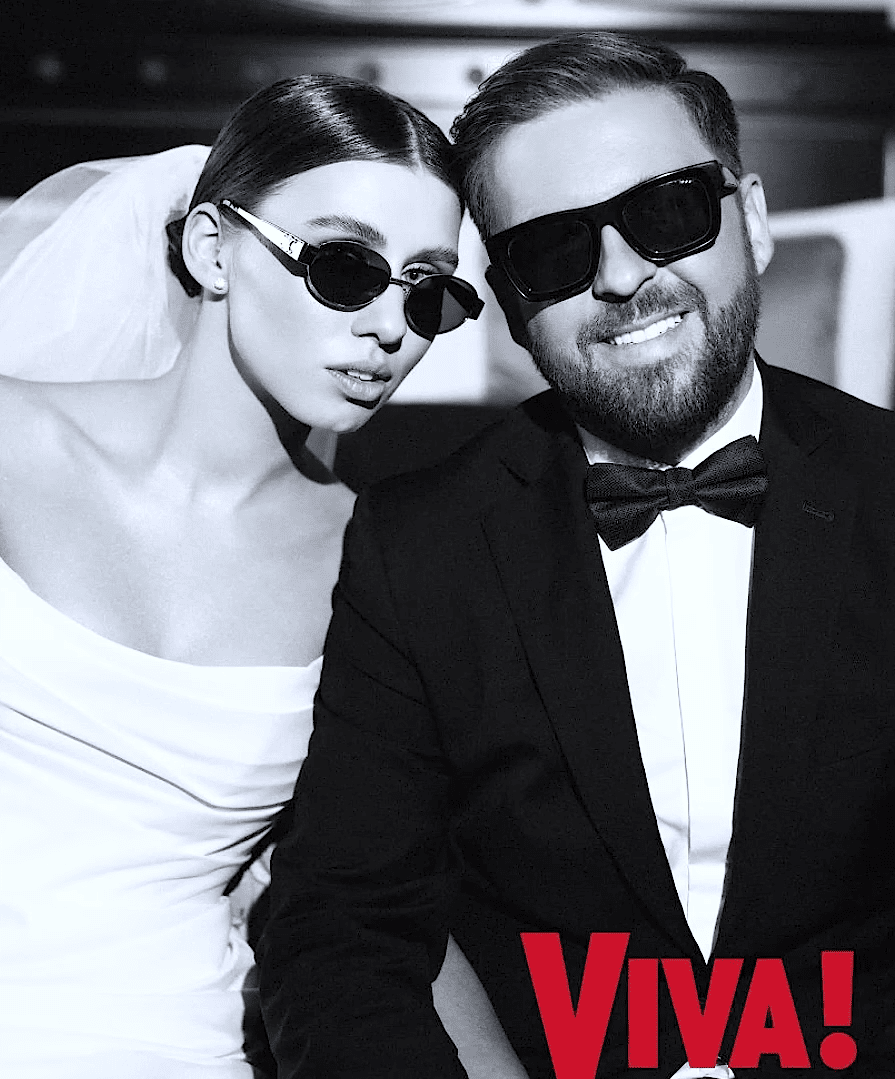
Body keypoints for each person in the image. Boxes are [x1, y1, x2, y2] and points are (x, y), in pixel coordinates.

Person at [259, 32, 895, 1079]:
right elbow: (342, 925)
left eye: (667, 213)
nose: (621, 276)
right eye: (553, 251)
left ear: (752, 219)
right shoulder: (415, 544)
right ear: (512, 305)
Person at [0, 72, 530, 1079]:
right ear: (213, 249)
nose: (391, 328)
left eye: (426, 289)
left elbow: (383, 899)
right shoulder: (10, 441)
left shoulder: (379, 563)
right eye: (344, 266)